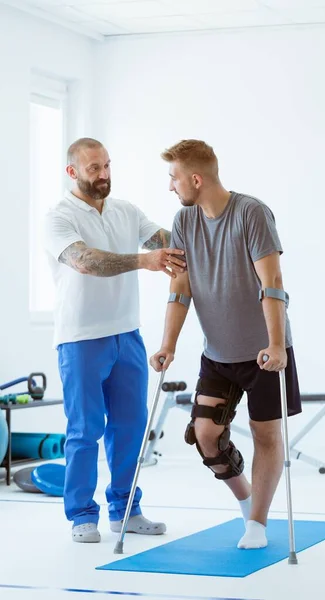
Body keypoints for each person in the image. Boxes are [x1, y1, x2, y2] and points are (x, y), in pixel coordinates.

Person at [150, 139, 301, 550]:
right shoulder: (184, 221)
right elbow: (180, 289)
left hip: (263, 351)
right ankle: (249, 500)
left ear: (195, 179)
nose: (170, 186)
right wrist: (169, 344)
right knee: (205, 434)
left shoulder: (251, 213)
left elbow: (272, 283)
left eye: (174, 178)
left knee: (265, 435)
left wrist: (276, 345)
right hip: (217, 353)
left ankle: (258, 523)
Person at [43, 137, 186, 543]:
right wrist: (144, 261)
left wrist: (211, 226)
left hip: (127, 334)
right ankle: (82, 515)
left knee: (131, 426)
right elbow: (85, 261)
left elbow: (168, 244)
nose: (104, 174)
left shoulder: (125, 211)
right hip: (81, 337)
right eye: (94, 169)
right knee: (85, 429)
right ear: (73, 172)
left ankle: (126, 508)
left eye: (107, 166)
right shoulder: (59, 218)